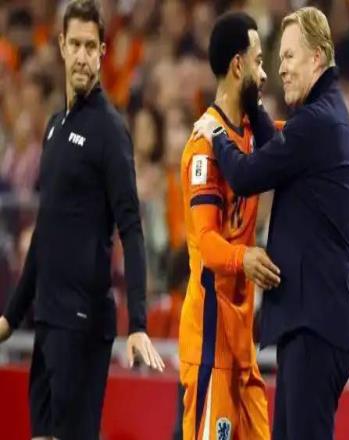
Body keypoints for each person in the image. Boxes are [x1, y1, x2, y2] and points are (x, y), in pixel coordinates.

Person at [193, 7, 349, 439]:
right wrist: (251, 101)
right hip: (316, 322)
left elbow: (249, 174)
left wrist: (216, 133)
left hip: (314, 325)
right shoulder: (324, 116)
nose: (280, 68)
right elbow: (279, 151)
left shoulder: (318, 122)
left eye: (288, 56)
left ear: (317, 57)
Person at [0, 1, 164, 439]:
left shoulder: (110, 131)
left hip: (83, 321)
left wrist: (139, 324)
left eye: (91, 46)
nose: (82, 55)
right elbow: (45, 233)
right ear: (60, 46)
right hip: (48, 319)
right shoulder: (54, 127)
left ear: (103, 52)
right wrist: (11, 317)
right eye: (75, 44)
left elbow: (131, 227)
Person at [178, 11, 280, 440]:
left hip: (242, 342)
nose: (265, 73)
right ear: (238, 65)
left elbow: (295, 145)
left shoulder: (252, 133)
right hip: (210, 341)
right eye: (258, 62)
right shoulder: (204, 146)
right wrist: (246, 257)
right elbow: (207, 242)